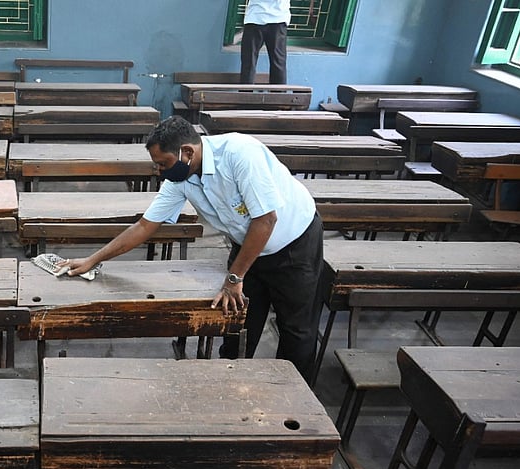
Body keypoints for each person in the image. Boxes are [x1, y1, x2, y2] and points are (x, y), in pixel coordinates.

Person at [60, 116, 324, 381]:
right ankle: (230, 383)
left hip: (294, 243)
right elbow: (144, 226)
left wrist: (234, 277)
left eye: (163, 164)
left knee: (296, 330)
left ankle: (293, 397)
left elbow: (266, 220)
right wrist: (93, 260)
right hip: (248, 245)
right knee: (237, 318)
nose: (160, 172)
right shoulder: (180, 178)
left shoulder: (240, 154)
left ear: (187, 152)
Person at [240, 0, 290, 84]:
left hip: (256, 17)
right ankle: (278, 96)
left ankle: (246, 95)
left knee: (248, 63)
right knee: (278, 64)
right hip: (276, 17)